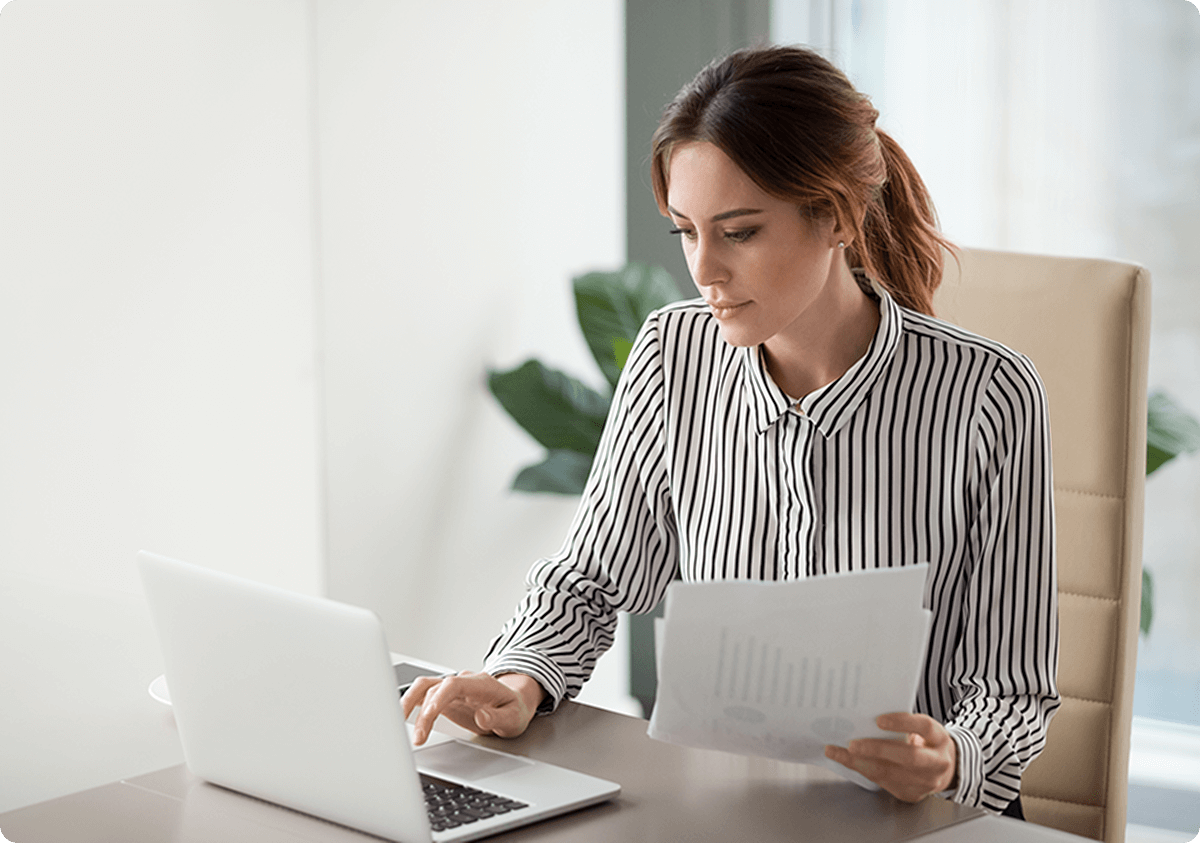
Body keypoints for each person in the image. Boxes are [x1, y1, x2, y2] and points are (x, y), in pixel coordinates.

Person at [402, 45, 1058, 817]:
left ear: (838, 216)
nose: (703, 269)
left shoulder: (989, 394)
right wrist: (521, 676)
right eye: (686, 230)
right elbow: (590, 580)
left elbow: (1011, 690)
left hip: (916, 821)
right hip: (719, 811)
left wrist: (950, 759)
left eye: (739, 232)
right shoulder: (671, 354)